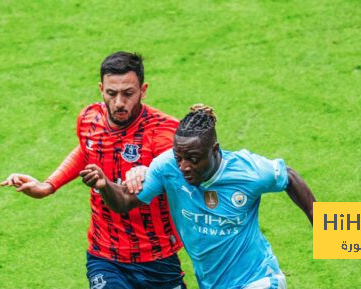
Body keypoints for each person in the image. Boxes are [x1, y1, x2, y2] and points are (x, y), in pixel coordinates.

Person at [0, 51, 186, 289]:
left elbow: (177, 173)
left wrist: (147, 171)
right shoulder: (89, 118)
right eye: (111, 93)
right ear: (101, 89)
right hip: (104, 253)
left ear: (143, 90)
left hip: (156, 255)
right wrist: (48, 185)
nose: (119, 102)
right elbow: (86, 149)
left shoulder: (163, 130)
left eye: (128, 93)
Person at [80, 104, 317, 289]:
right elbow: (124, 203)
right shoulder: (166, 168)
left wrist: (322, 225)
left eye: (193, 159)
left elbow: (290, 177)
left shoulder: (248, 170)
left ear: (214, 150)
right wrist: (104, 185)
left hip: (258, 279)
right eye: (178, 157)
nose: (183, 167)